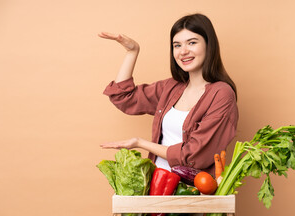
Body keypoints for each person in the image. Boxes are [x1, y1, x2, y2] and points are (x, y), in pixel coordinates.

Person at [99, 13, 238, 176]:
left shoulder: (221, 94)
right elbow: (123, 98)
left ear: (209, 45)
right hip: (157, 186)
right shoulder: (171, 87)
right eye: (177, 45)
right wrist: (132, 52)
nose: (183, 51)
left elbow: (195, 156)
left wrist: (140, 143)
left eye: (192, 43)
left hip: (192, 193)